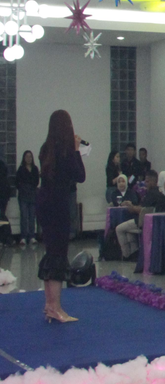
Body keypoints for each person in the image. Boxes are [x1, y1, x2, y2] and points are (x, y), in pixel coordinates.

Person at [35, 111, 86, 323]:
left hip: (44, 201)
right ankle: (56, 308)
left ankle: (49, 305)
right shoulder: (66, 151)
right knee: (58, 254)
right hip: (58, 204)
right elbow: (80, 176)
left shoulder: (45, 148)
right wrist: (76, 150)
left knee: (51, 251)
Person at [116, 170, 165, 259]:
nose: (145, 184)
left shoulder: (151, 194)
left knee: (119, 229)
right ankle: (134, 253)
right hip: (152, 223)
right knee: (129, 232)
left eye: (147, 181)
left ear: (153, 181)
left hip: (142, 222)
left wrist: (131, 207)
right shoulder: (159, 193)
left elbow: (142, 209)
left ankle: (126, 255)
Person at [15, 149, 39, 245]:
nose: (28, 159)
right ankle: (23, 237)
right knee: (24, 216)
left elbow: (36, 181)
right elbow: (17, 182)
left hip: (32, 195)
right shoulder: (21, 169)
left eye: (30, 157)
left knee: (32, 216)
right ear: (24, 158)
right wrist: (24, 188)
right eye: (27, 157)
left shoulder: (35, 169)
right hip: (23, 196)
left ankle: (32, 236)